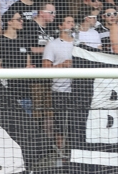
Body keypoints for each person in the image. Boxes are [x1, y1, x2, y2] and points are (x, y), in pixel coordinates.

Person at [42, 15, 76, 155]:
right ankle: (60, 152)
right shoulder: (53, 44)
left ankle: (75, 152)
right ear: (60, 26)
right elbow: (45, 68)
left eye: (73, 22)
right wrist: (62, 65)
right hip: (60, 89)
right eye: (68, 22)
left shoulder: (80, 44)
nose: (71, 24)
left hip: (78, 89)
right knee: (60, 123)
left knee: (76, 122)